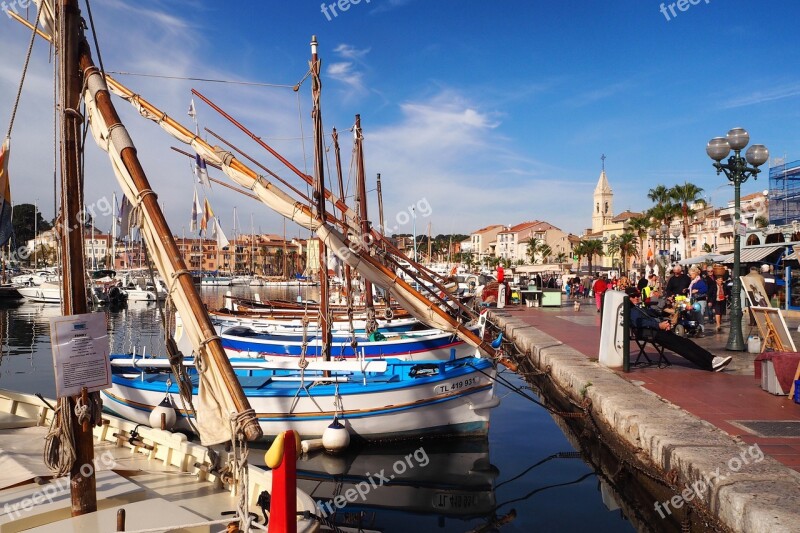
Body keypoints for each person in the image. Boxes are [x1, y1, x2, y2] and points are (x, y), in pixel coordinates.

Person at [626, 287, 732, 371]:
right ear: (627, 298)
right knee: (680, 346)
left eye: (637, 295)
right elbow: (639, 323)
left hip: (656, 330)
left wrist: (665, 319)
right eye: (633, 296)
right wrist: (658, 326)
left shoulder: (639, 307)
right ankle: (709, 364)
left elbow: (656, 314)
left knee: (685, 342)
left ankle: (712, 359)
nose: (636, 298)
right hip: (649, 332)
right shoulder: (630, 310)